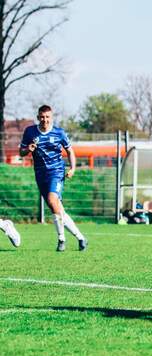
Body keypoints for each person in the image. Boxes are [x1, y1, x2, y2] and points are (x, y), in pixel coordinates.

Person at [19, 105, 87, 252]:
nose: (45, 120)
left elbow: (70, 151)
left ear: (52, 117)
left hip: (56, 172)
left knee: (51, 200)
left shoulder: (59, 132)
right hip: (40, 174)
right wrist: (27, 149)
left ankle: (61, 239)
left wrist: (73, 168)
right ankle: (81, 238)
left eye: (47, 117)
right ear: (38, 117)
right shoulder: (30, 131)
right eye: (42, 117)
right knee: (57, 208)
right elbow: (21, 152)